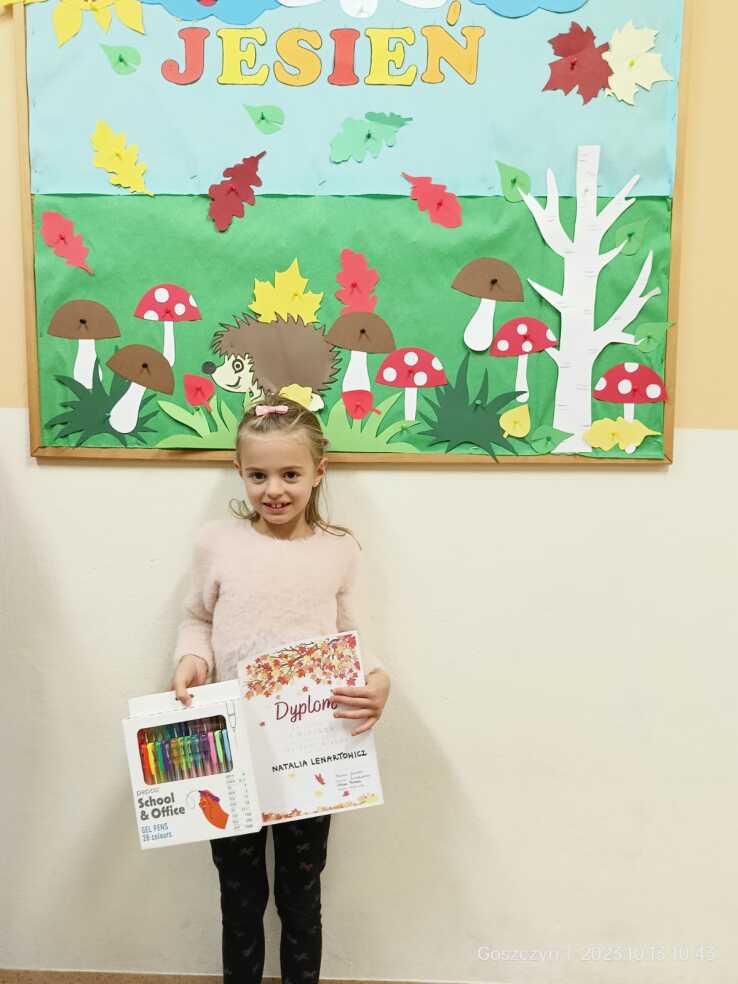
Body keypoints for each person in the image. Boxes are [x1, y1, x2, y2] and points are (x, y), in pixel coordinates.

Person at [169, 394, 391, 984]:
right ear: (239, 471)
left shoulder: (339, 549)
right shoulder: (216, 543)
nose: (274, 490)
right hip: (232, 743)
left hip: (311, 750)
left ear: (319, 472)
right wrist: (191, 660)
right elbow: (197, 618)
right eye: (258, 475)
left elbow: (352, 636)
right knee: (239, 894)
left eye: (290, 474)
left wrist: (378, 679)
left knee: (301, 892)